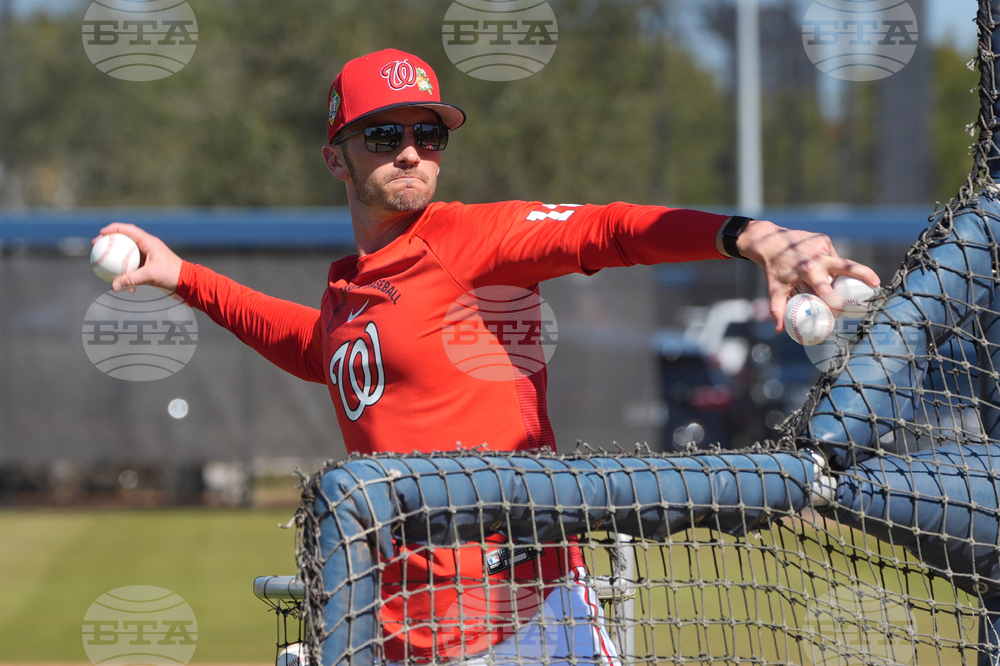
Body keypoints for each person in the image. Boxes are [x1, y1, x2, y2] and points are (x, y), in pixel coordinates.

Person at [96, 49, 879, 666]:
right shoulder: (350, 291)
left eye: (427, 134)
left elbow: (608, 230)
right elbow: (317, 349)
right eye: (384, 134)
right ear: (337, 157)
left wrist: (745, 235)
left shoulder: (470, 239)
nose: (410, 152)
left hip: (530, 618)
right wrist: (185, 278)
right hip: (396, 630)